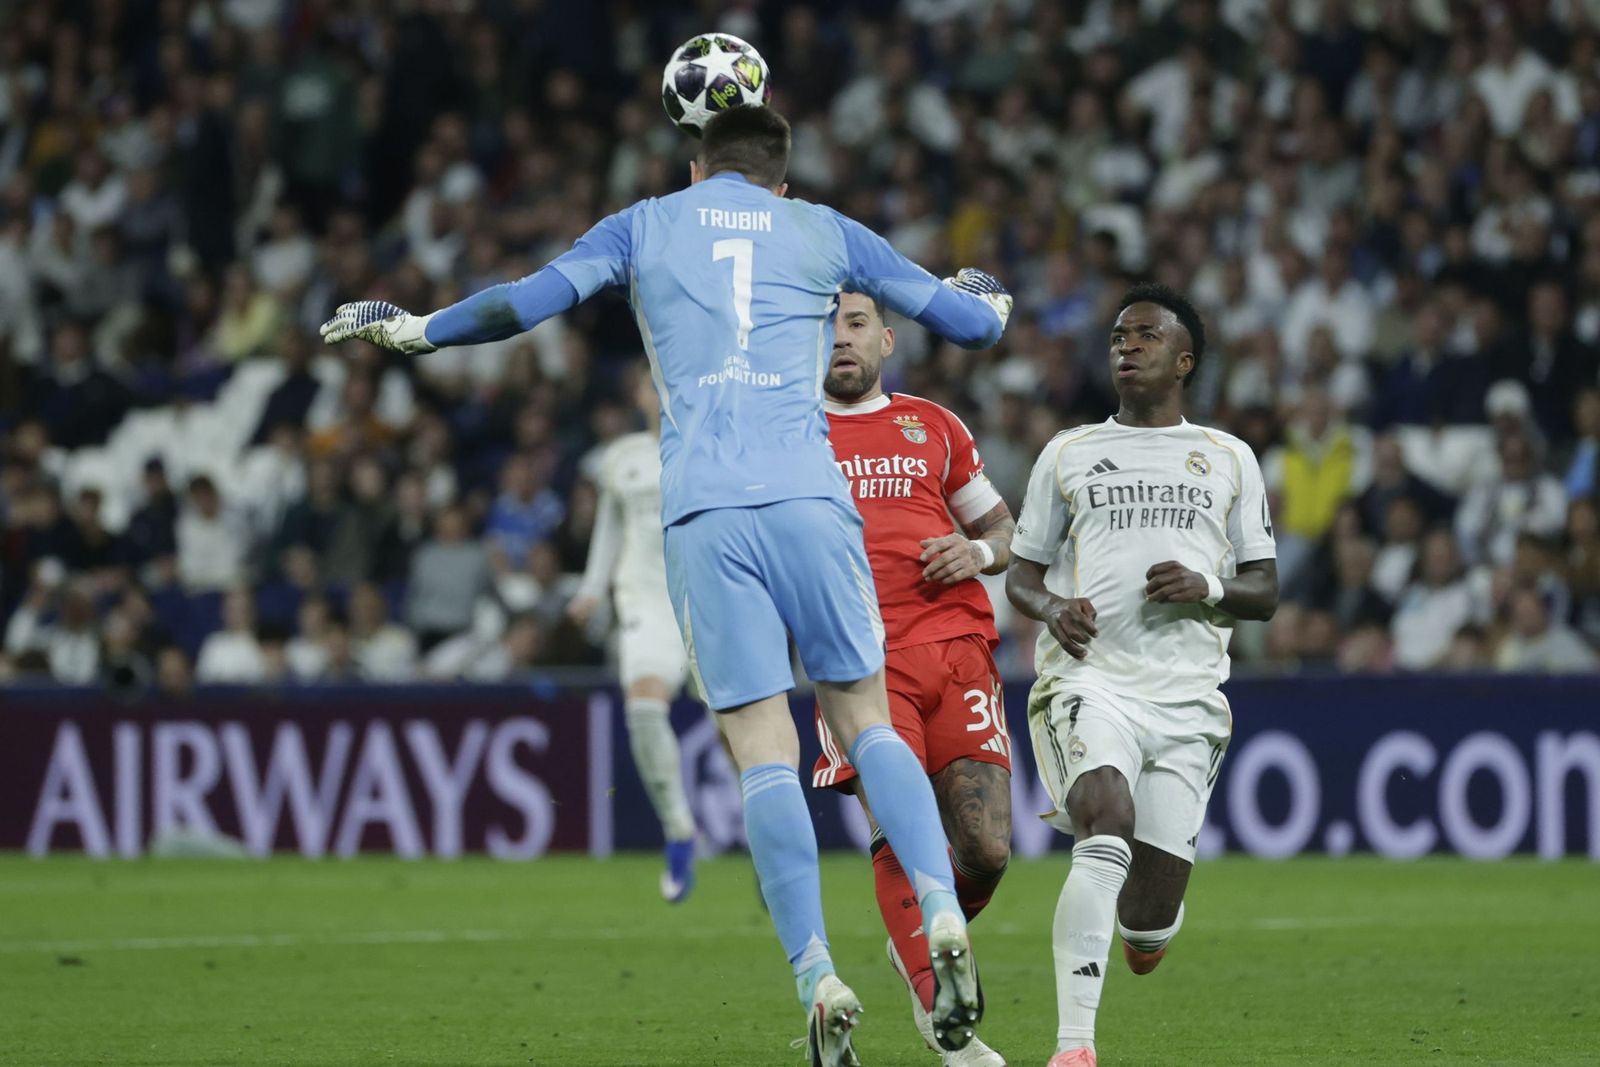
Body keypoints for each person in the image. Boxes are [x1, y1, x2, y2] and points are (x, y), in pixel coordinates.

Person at [320, 106, 1012, 1064]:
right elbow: (971, 324)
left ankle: (817, 973)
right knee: (866, 717)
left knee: (762, 749)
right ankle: (942, 911)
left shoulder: (645, 223)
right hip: (813, 498)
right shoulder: (823, 229)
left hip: (705, 512)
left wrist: (415, 330)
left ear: (696, 166)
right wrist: (989, 293)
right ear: (782, 174)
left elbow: (522, 303)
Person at [1005, 284, 1278, 1067]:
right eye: (1120, 335)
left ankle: (1146, 928)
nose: (1126, 345)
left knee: (1148, 918)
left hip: (1189, 700)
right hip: (1092, 681)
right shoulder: (1069, 451)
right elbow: (1021, 574)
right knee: (1102, 810)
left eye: (1147, 335)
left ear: (1184, 360)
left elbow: (1264, 589)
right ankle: (1074, 1046)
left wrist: (1211, 587)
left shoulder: (1229, 458)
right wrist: (1051, 606)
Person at [811, 291, 1015, 1067]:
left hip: (957, 641)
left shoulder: (934, 423)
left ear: (887, 340)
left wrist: (981, 554)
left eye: (856, 322)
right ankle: (945, 1020)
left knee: (988, 849)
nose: (841, 337)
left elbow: (1001, 525)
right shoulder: (790, 428)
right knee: (898, 825)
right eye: (826, 325)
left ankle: (918, 939)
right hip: (856, 656)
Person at [568, 365, 702, 904]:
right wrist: (591, 588)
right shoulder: (620, 459)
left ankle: (767, 841)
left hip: (707, 602)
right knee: (644, 706)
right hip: (644, 602)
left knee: (737, 733)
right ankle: (678, 830)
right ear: (641, 392)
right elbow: (609, 528)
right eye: (652, 381)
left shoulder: (711, 443)